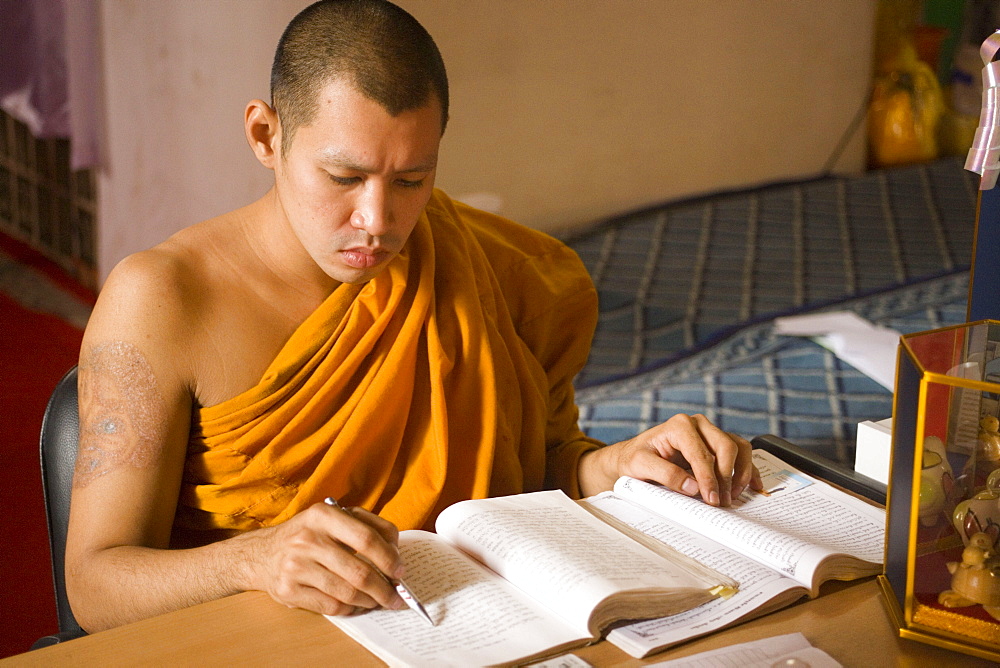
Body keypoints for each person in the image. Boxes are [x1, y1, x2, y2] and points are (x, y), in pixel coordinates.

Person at [65, 0, 761, 633]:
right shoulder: (163, 300)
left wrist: (620, 466)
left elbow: (535, 470)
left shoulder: (484, 265)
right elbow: (94, 587)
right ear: (264, 135)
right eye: (343, 178)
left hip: (478, 631)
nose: (377, 222)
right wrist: (252, 561)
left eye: (410, 181)